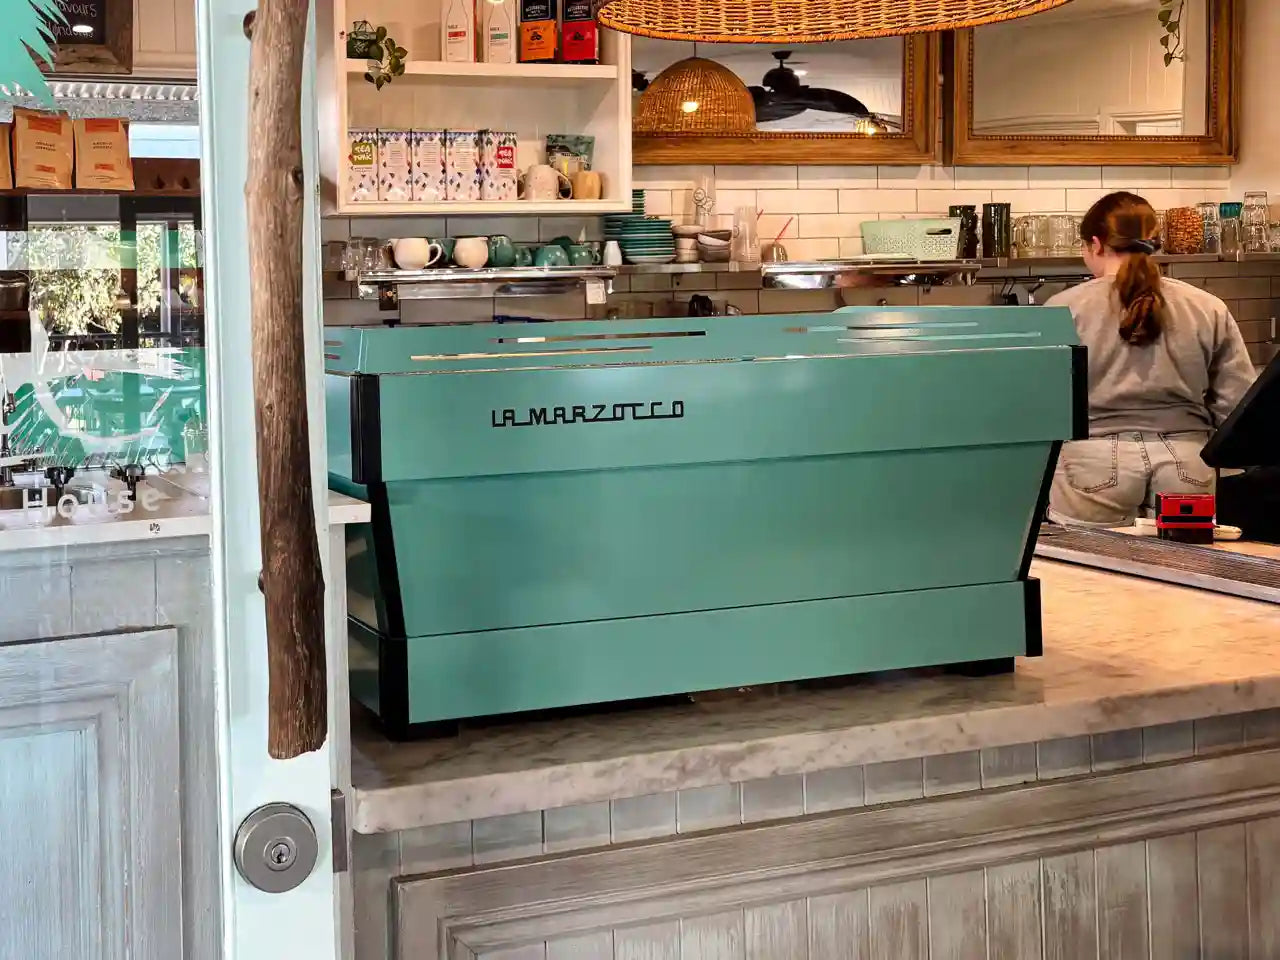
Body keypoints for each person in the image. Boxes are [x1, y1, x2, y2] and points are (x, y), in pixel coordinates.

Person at [1046, 191, 1255, 527]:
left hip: (1091, 462)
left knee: (1092, 562)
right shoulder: (1207, 306)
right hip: (1188, 463)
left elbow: (1040, 403)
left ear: (1095, 244)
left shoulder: (1062, 309)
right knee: (1185, 562)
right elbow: (1236, 404)